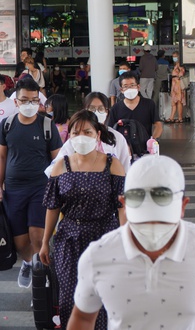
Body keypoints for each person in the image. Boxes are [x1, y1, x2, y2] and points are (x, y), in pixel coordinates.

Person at [68, 155, 195, 330]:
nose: (152, 231)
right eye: (141, 223)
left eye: (163, 223)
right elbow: (83, 318)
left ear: (183, 206)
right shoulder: (98, 255)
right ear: (123, 204)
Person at [40, 110, 126, 329]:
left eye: (87, 132)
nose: (81, 137)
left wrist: (126, 241)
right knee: (70, 297)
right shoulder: (61, 166)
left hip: (105, 236)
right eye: (75, 132)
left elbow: (122, 207)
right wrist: (44, 243)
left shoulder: (112, 164)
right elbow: (52, 207)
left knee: (104, 297)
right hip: (69, 238)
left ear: (97, 134)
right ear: (68, 136)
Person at [0, 77, 63, 288]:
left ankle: (41, 283)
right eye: (25, 100)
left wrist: (58, 187)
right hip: (14, 189)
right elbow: (1, 157)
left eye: (34, 100)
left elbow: (58, 159)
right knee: (20, 243)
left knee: (38, 238)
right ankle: (28, 263)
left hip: (40, 188)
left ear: (39, 101)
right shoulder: (6, 125)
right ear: (15, 102)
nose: (29, 104)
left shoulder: (47, 125)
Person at [47, 92, 132, 177]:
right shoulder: (77, 139)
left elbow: (125, 167)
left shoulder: (117, 137)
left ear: (107, 112)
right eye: (91, 108)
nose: (96, 112)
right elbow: (54, 169)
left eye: (101, 109)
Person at [107, 71, 163, 140]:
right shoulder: (116, 108)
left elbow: (158, 125)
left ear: (138, 87)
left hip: (144, 148)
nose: (129, 89)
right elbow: (110, 130)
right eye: (125, 86)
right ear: (121, 90)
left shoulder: (149, 104)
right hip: (123, 148)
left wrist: (152, 141)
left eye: (132, 85)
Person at [168, 51, 186, 123]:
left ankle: (180, 118)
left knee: (179, 101)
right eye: (173, 56)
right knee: (174, 102)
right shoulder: (175, 65)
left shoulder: (179, 66)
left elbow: (181, 74)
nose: (174, 58)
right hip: (174, 85)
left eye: (175, 56)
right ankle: (172, 117)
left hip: (178, 85)